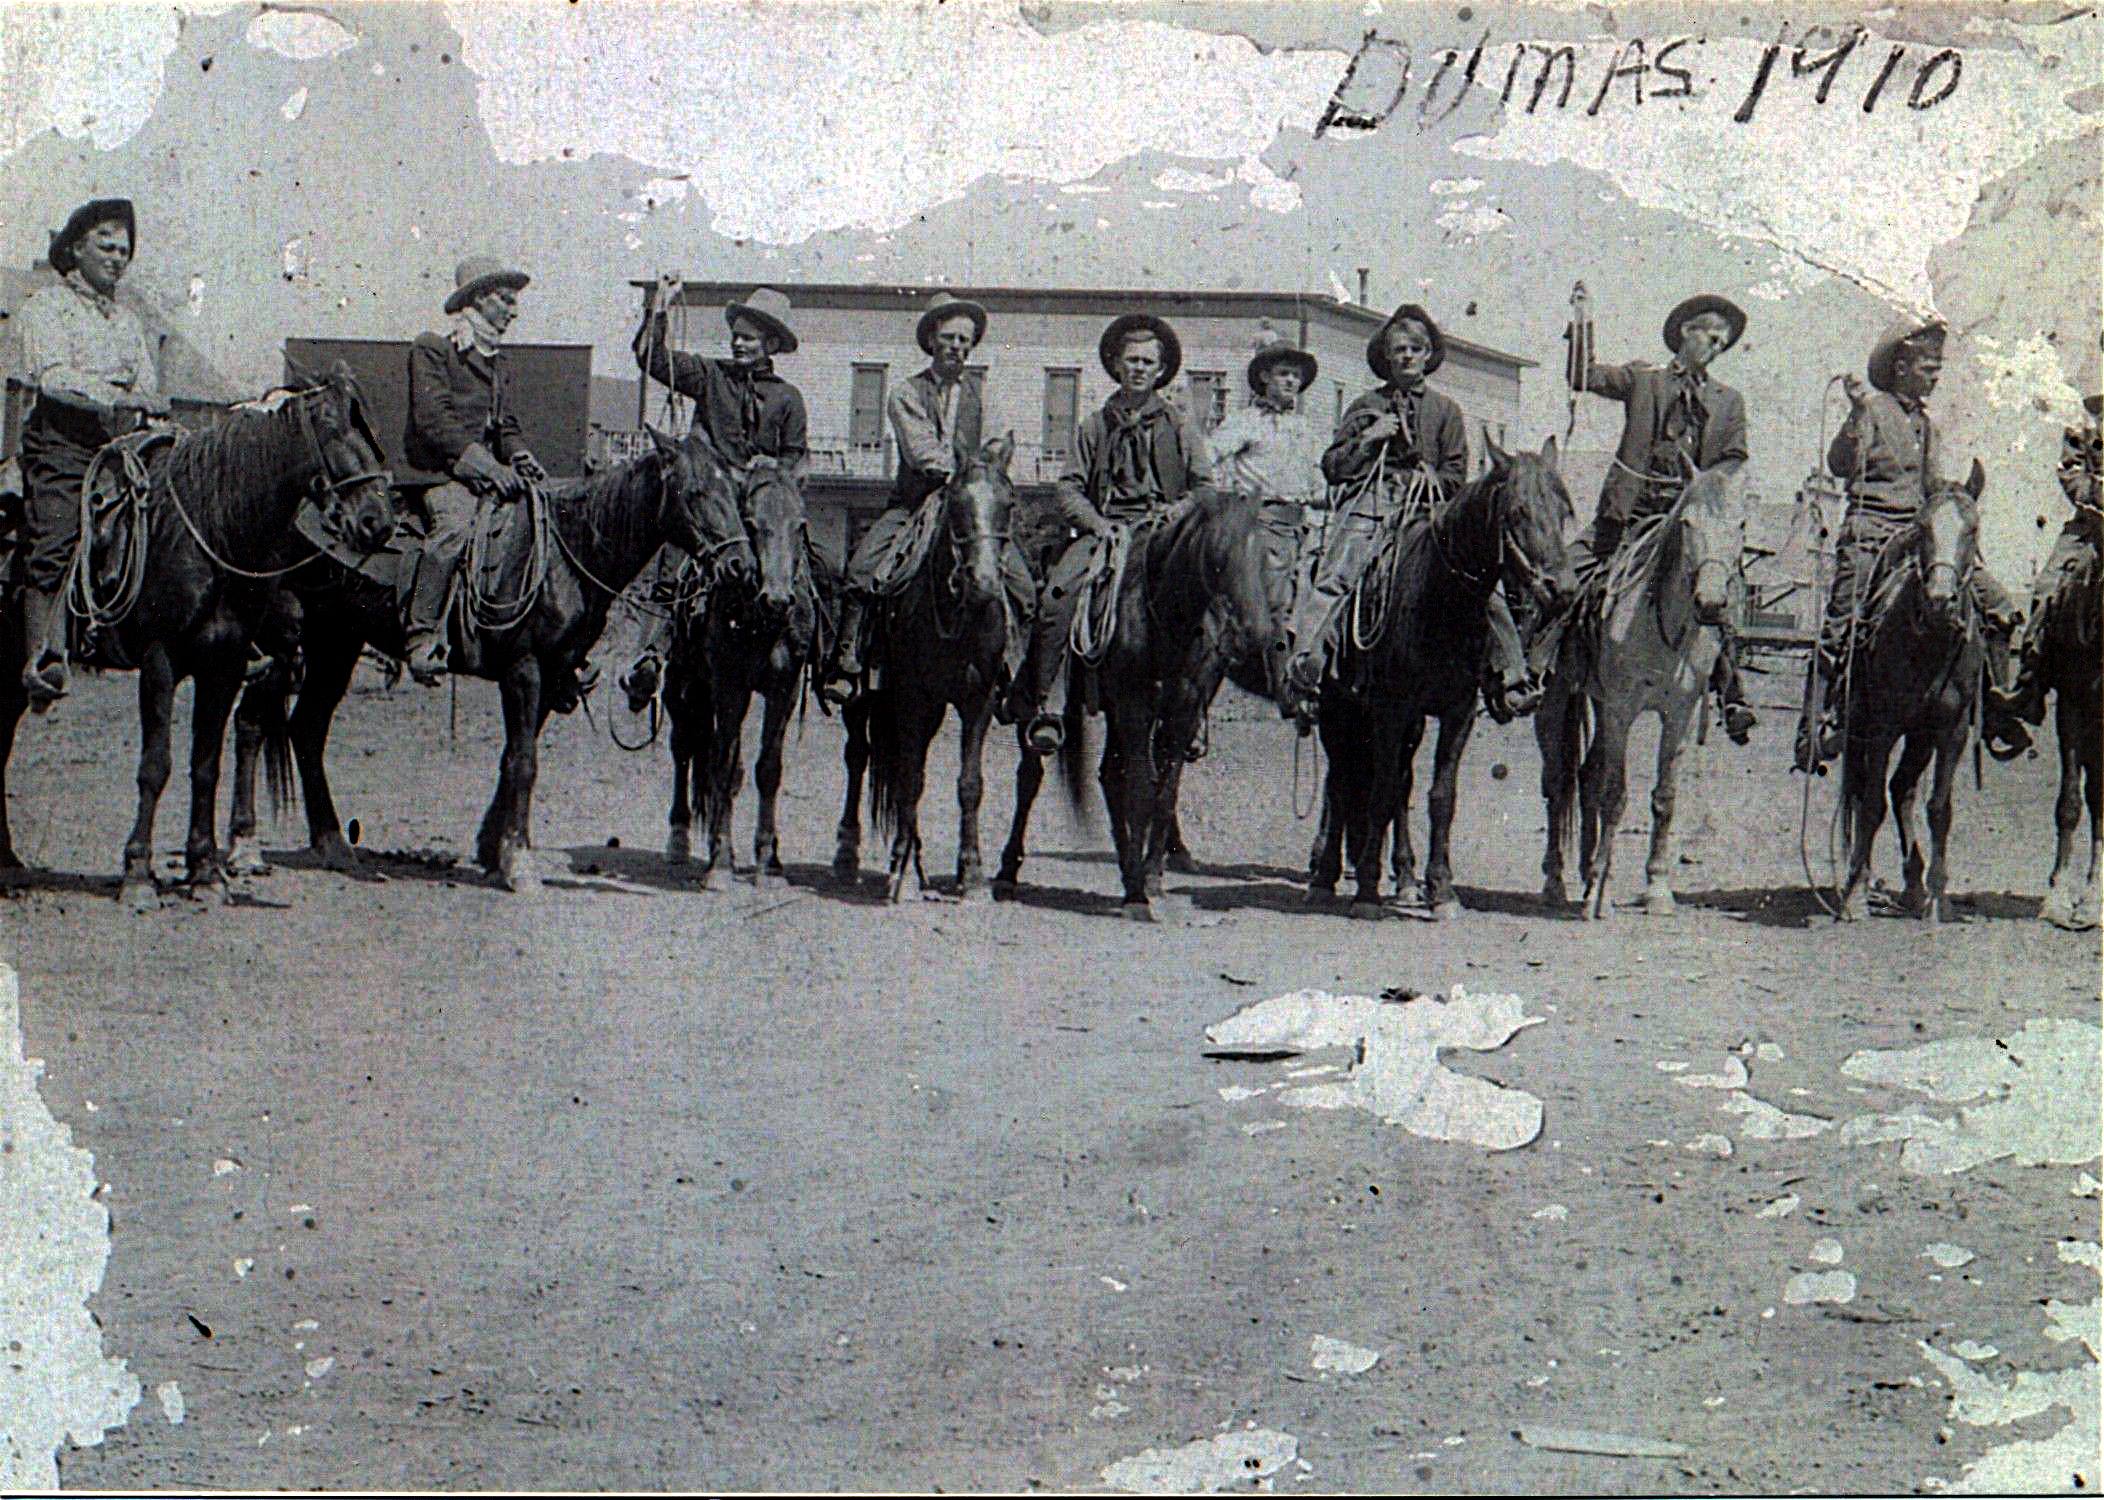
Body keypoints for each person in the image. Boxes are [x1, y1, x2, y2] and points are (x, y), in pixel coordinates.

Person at [1282, 303, 1534, 718]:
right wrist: (1369, 439)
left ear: (1428, 354)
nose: (1406, 356)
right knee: (1336, 573)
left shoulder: (1447, 411)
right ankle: (1307, 671)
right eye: (1398, 349)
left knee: (1480, 583)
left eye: (1415, 348)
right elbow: (1333, 468)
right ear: (1386, 357)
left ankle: (1510, 676)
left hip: (1429, 512)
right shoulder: (1366, 405)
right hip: (1373, 506)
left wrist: (1432, 477)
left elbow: (1457, 475)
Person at [1795, 319, 2028, 769]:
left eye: (1938, 368)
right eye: (1928, 367)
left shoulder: (1929, 426)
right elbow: (1841, 464)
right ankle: (1817, 722)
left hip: (1920, 534)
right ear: (1901, 367)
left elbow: (1930, 487)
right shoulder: (1874, 409)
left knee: (1997, 607)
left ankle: (1997, 711)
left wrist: (1955, 496)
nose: (1935, 377)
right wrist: (1855, 416)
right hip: (1873, 531)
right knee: (1842, 621)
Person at [1528, 292, 1759, 743]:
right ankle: (1535, 669)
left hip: (1691, 521)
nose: (1716, 347)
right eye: (1710, 336)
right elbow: (1583, 377)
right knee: (1565, 577)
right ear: (1685, 334)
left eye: (1723, 343)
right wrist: (1582, 324)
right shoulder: (1642, 379)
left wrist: (1706, 487)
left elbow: (1733, 461)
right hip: (1629, 514)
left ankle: (1733, 693)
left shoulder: (1729, 402)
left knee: (1722, 593)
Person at [823, 291, 1036, 710]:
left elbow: (997, 443)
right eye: (950, 337)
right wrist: (965, 470)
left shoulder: (984, 396)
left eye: (965, 340)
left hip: (971, 505)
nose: (958, 347)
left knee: (1023, 585)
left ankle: (1015, 672)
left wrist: (986, 470)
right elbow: (922, 454)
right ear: (932, 340)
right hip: (917, 501)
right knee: (864, 569)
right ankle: (848, 661)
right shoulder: (906, 393)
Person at [1015, 311, 1212, 752]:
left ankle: (1192, 714)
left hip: (1162, 533)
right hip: (1106, 531)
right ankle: (1046, 701)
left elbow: (1204, 489)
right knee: (1057, 596)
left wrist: (1174, 515)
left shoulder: (1179, 425)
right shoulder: (1094, 425)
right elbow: (1069, 486)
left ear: (1160, 371)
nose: (1140, 369)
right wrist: (1097, 524)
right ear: (1117, 365)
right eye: (1132, 361)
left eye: (1148, 362)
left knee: (1205, 604)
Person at [621, 278, 810, 701]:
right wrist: (660, 308)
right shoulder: (709, 375)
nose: (738, 345)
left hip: (763, 504)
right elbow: (652, 358)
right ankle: (650, 656)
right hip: (716, 500)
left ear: (771, 344)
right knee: (676, 558)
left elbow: (797, 457)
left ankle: (829, 656)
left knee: (811, 569)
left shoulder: (788, 399)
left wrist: (773, 469)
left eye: (749, 338)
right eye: (736, 336)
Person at [13, 197, 168, 708]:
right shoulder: (46, 308)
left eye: (125, 249)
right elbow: (55, 379)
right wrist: (120, 395)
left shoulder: (129, 321)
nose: (118, 256)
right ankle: (43, 657)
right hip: (63, 443)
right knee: (57, 532)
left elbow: (149, 383)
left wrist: (144, 404)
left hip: (120, 446)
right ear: (76, 248)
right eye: (106, 245)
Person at [400, 255, 547, 684]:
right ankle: (422, 637)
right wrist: (486, 467)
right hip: (442, 475)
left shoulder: (497, 361)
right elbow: (432, 423)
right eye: (506, 300)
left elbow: (507, 426)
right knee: (454, 529)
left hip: (488, 476)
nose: (513, 310)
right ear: (480, 299)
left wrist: (519, 456)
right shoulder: (434, 348)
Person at [1987, 393, 2101, 737]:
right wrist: (2096, 493)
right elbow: (2071, 471)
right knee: (2049, 589)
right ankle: (2029, 684)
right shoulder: (2086, 423)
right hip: (2091, 528)